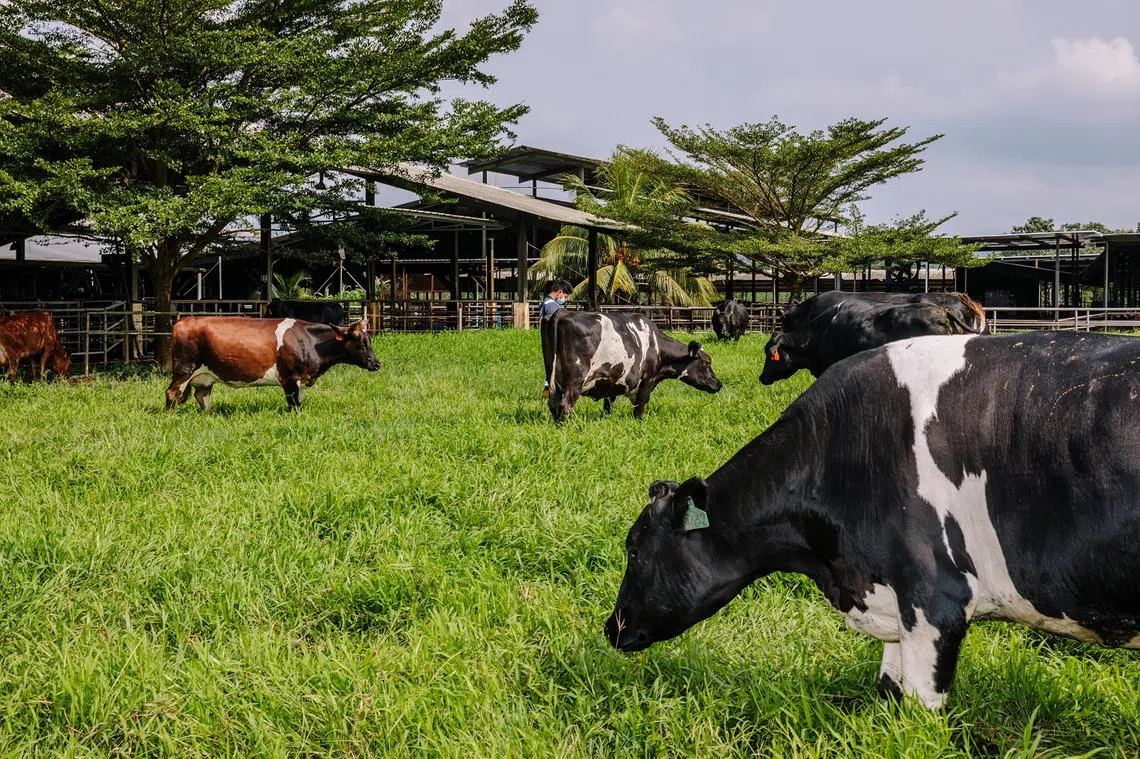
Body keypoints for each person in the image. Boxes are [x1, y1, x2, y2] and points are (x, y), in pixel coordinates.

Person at [540, 280, 571, 397]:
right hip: (554, 340)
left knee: (550, 368)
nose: (564, 299)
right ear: (560, 292)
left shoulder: (545, 302)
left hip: (547, 340)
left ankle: (546, 394)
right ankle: (550, 395)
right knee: (554, 368)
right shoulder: (552, 306)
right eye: (565, 296)